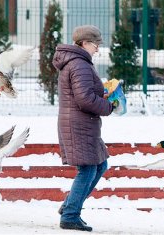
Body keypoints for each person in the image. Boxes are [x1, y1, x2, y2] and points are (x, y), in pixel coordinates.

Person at [52, 25, 115, 232]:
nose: (97, 48)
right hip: (79, 124)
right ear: (85, 43)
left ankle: (71, 205)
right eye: (96, 44)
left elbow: (84, 93)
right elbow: (85, 99)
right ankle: (70, 215)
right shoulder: (79, 65)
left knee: (100, 165)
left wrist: (104, 93)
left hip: (81, 123)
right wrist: (108, 106)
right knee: (88, 169)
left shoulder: (78, 63)